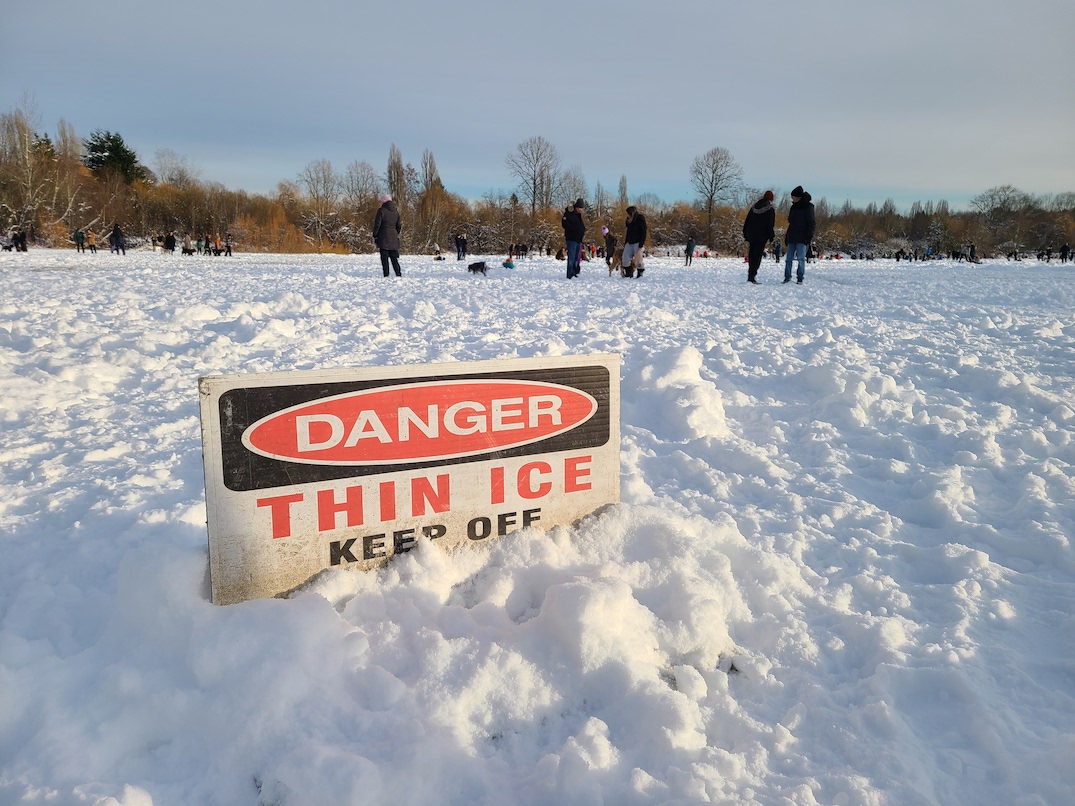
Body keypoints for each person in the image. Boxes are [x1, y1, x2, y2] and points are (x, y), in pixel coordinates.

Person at [783, 186, 814, 284]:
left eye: (793, 197)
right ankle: (787, 276)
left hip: (802, 237)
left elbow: (811, 222)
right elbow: (790, 221)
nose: (792, 199)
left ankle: (800, 277)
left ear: (798, 197)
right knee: (789, 259)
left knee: (801, 258)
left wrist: (808, 236)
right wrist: (787, 236)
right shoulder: (793, 207)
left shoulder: (808, 207)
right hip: (792, 235)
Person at [744, 190, 776, 284]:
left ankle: (750, 275)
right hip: (762, 236)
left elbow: (747, 221)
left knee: (752, 254)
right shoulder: (770, 209)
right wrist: (771, 237)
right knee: (757, 256)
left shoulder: (754, 207)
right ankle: (752, 276)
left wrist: (745, 233)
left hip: (751, 235)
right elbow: (770, 225)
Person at [373, 193, 402, 277]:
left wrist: (375, 235)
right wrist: (395, 233)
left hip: (383, 237)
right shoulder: (396, 212)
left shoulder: (381, 210)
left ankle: (386, 274)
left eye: (380, 201)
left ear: (383, 202)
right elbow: (399, 226)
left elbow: (377, 224)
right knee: (394, 258)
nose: (379, 203)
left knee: (384, 258)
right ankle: (398, 273)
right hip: (393, 238)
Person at [561, 198, 587, 279]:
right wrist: (574, 229)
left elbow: (580, 227)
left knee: (576, 258)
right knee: (572, 258)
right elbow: (565, 224)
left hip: (578, 240)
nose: (581, 210)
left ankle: (574, 272)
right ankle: (570, 274)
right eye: (580, 208)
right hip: (572, 239)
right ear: (576, 207)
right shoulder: (570, 215)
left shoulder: (578, 216)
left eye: (582, 209)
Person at [623, 205, 648, 277]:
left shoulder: (640, 219)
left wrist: (641, 243)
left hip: (638, 242)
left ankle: (640, 273)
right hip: (629, 242)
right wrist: (626, 242)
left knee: (638, 259)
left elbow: (643, 231)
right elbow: (628, 232)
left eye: (628, 213)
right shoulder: (629, 221)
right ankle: (628, 273)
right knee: (625, 257)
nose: (627, 215)